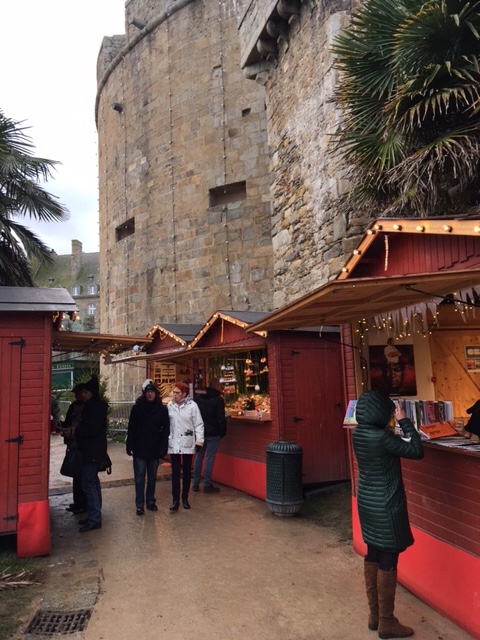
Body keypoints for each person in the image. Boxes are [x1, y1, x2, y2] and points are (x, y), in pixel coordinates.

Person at [352, 390, 424, 639]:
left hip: (367, 502)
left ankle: (375, 616)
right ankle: (387, 623)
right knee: (388, 559)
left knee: (373, 553)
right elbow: (417, 450)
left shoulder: (357, 433)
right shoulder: (383, 438)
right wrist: (404, 420)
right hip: (387, 503)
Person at [126, 380, 170, 515]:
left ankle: (150, 500)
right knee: (139, 477)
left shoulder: (161, 410)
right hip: (140, 447)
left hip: (154, 448)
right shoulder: (138, 408)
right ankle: (139, 504)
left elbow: (165, 430)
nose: (150, 394)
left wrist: (163, 447)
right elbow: (132, 427)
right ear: (145, 394)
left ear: (156, 394)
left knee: (152, 477)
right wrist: (129, 445)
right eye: (148, 392)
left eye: (152, 392)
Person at [75, 375, 108, 532]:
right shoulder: (96, 406)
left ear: (90, 393)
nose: (83, 395)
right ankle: (94, 515)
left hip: (92, 450)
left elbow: (92, 429)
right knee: (92, 482)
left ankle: (94, 518)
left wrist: (77, 431)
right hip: (95, 450)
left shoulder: (93, 407)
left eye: (85, 392)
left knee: (89, 483)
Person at [167, 381, 204, 512]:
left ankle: (185, 498)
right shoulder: (170, 406)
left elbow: (198, 424)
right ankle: (175, 500)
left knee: (187, 471)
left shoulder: (192, 406)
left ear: (184, 394)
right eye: (174, 392)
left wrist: (199, 441)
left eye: (177, 392)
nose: (174, 394)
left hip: (188, 442)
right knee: (175, 472)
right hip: (174, 443)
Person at [193, 378, 226, 493]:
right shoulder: (218, 400)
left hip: (200, 432)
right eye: (220, 385)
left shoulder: (198, 398)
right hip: (213, 433)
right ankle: (207, 484)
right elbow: (220, 418)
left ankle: (195, 483)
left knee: (198, 456)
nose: (221, 388)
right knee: (209, 457)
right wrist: (222, 432)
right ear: (216, 387)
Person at [62, 383, 87, 515]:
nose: (77, 396)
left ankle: (82, 503)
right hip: (73, 443)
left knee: (81, 475)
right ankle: (77, 502)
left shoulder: (87, 407)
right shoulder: (73, 406)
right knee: (76, 475)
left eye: (78, 393)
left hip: (80, 445)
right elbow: (67, 422)